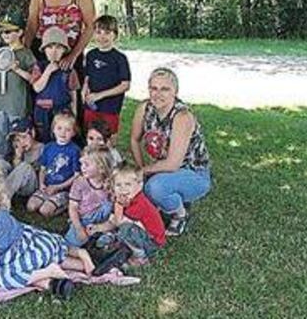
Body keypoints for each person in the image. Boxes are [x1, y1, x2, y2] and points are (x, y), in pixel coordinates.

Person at [0, 170, 94, 297]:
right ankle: (55, 279)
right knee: (57, 257)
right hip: (9, 248)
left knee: (7, 278)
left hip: (21, 248)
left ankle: (49, 271)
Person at [129, 68, 212, 236]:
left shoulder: (182, 117)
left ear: (176, 91)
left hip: (193, 172)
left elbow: (173, 164)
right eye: (154, 88)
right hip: (164, 169)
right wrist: (140, 168)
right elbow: (134, 139)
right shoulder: (144, 108)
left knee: (155, 187)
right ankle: (166, 198)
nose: (157, 94)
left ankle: (180, 214)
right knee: (135, 187)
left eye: (165, 89)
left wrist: (142, 172)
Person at [24, 0, 96, 122]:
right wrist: (22, 51)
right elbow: (32, 27)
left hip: (71, 55)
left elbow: (91, 26)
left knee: (70, 102)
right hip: (44, 56)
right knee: (42, 101)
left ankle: (73, 142)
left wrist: (73, 55)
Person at [93, 165, 166, 267]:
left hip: (153, 242)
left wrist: (118, 203)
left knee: (125, 228)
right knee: (116, 223)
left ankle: (141, 257)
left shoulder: (139, 204)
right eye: (118, 185)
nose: (123, 189)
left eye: (128, 184)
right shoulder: (129, 200)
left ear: (139, 185)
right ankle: (120, 243)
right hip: (141, 232)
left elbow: (118, 221)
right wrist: (98, 228)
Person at [0, 10, 37, 158]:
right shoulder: (0, 52)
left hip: (16, 102)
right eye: (2, 31)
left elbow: (33, 79)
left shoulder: (26, 54)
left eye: (9, 31)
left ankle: (19, 160)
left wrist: (16, 69)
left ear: (20, 32)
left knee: (17, 133)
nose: (5, 35)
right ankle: (0, 160)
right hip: (0, 100)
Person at [82, 15, 131, 136]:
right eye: (98, 32)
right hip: (91, 106)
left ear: (115, 35)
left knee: (108, 141)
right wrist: (84, 89)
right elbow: (87, 76)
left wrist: (100, 95)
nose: (102, 36)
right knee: (90, 138)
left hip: (110, 108)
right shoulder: (90, 55)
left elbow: (125, 85)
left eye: (107, 32)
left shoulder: (120, 58)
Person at [31, 26, 80, 142]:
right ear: (44, 50)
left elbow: (74, 95)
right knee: (43, 140)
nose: (54, 51)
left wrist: (74, 115)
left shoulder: (69, 70)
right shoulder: (38, 67)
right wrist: (48, 71)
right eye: (50, 47)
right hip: (42, 113)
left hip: (62, 113)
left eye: (58, 47)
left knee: (62, 140)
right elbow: (37, 88)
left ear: (64, 50)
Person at [27, 113, 80, 217]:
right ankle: (48, 201)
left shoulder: (75, 150)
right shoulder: (48, 147)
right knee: (31, 207)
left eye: (68, 130)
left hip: (63, 189)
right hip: (47, 187)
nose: (63, 133)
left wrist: (58, 187)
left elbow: (76, 175)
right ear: (53, 129)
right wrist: (41, 184)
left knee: (45, 211)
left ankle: (66, 206)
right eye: (59, 128)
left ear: (73, 133)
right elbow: (43, 169)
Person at [64, 147, 114, 247]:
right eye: (82, 164)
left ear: (101, 168)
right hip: (84, 219)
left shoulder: (110, 183)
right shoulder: (80, 182)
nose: (83, 167)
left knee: (108, 205)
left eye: (87, 165)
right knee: (70, 244)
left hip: (104, 218)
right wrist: (79, 229)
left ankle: (103, 232)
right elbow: (73, 208)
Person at [4, 118, 43, 200]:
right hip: (13, 187)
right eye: (17, 140)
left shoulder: (43, 149)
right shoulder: (16, 150)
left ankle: (2, 198)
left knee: (26, 167)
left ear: (32, 132)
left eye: (24, 137)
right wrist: (18, 157)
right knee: (0, 163)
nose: (21, 142)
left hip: (31, 187)